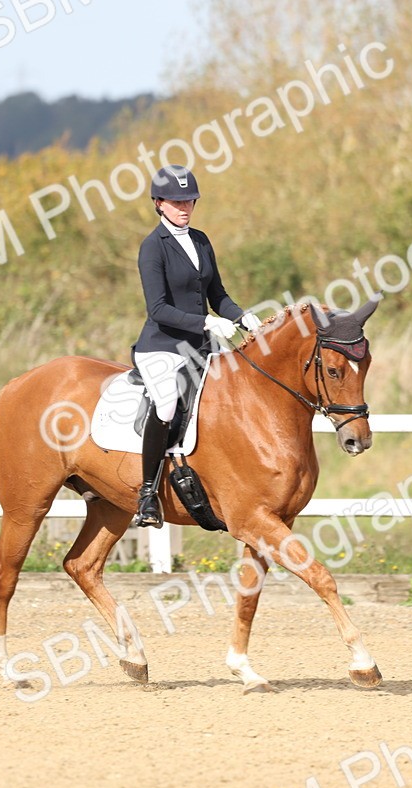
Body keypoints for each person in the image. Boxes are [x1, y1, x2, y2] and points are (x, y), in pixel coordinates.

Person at [131, 165, 261, 527]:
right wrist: (205, 321)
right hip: (162, 346)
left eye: (189, 200)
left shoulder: (201, 240)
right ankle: (147, 494)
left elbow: (217, 294)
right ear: (159, 203)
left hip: (202, 347)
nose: (184, 207)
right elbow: (157, 309)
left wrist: (241, 316)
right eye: (176, 202)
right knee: (168, 405)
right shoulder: (152, 248)